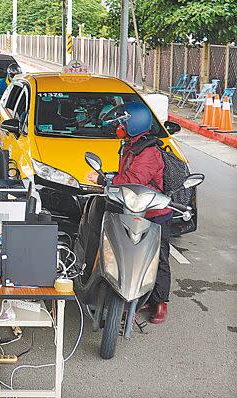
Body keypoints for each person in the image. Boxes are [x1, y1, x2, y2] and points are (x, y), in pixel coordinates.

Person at [86, 102, 172, 324]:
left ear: (133, 124)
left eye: (122, 123)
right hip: (133, 208)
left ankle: (159, 302)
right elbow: (127, 175)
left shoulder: (149, 152)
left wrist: (107, 179)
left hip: (154, 212)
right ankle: (127, 291)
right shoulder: (131, 145)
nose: (119, 127)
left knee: (157, 256)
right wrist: (110, 177)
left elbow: (134, 180)